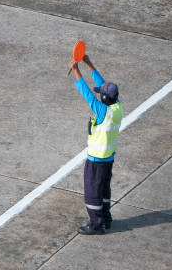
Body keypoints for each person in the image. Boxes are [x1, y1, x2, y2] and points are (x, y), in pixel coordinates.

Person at [69, 54, 123, 235]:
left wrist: (76, 70)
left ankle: (96, 224)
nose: (99, 95)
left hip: (96, 160)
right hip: (109, 158)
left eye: (102, 94)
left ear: (105, 99)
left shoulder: (102, 111)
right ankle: (106, 218)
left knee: (93, 191)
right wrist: (89, 63)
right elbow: (103, 85)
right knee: (105, 188)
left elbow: (87, 94)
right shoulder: (117, 107)